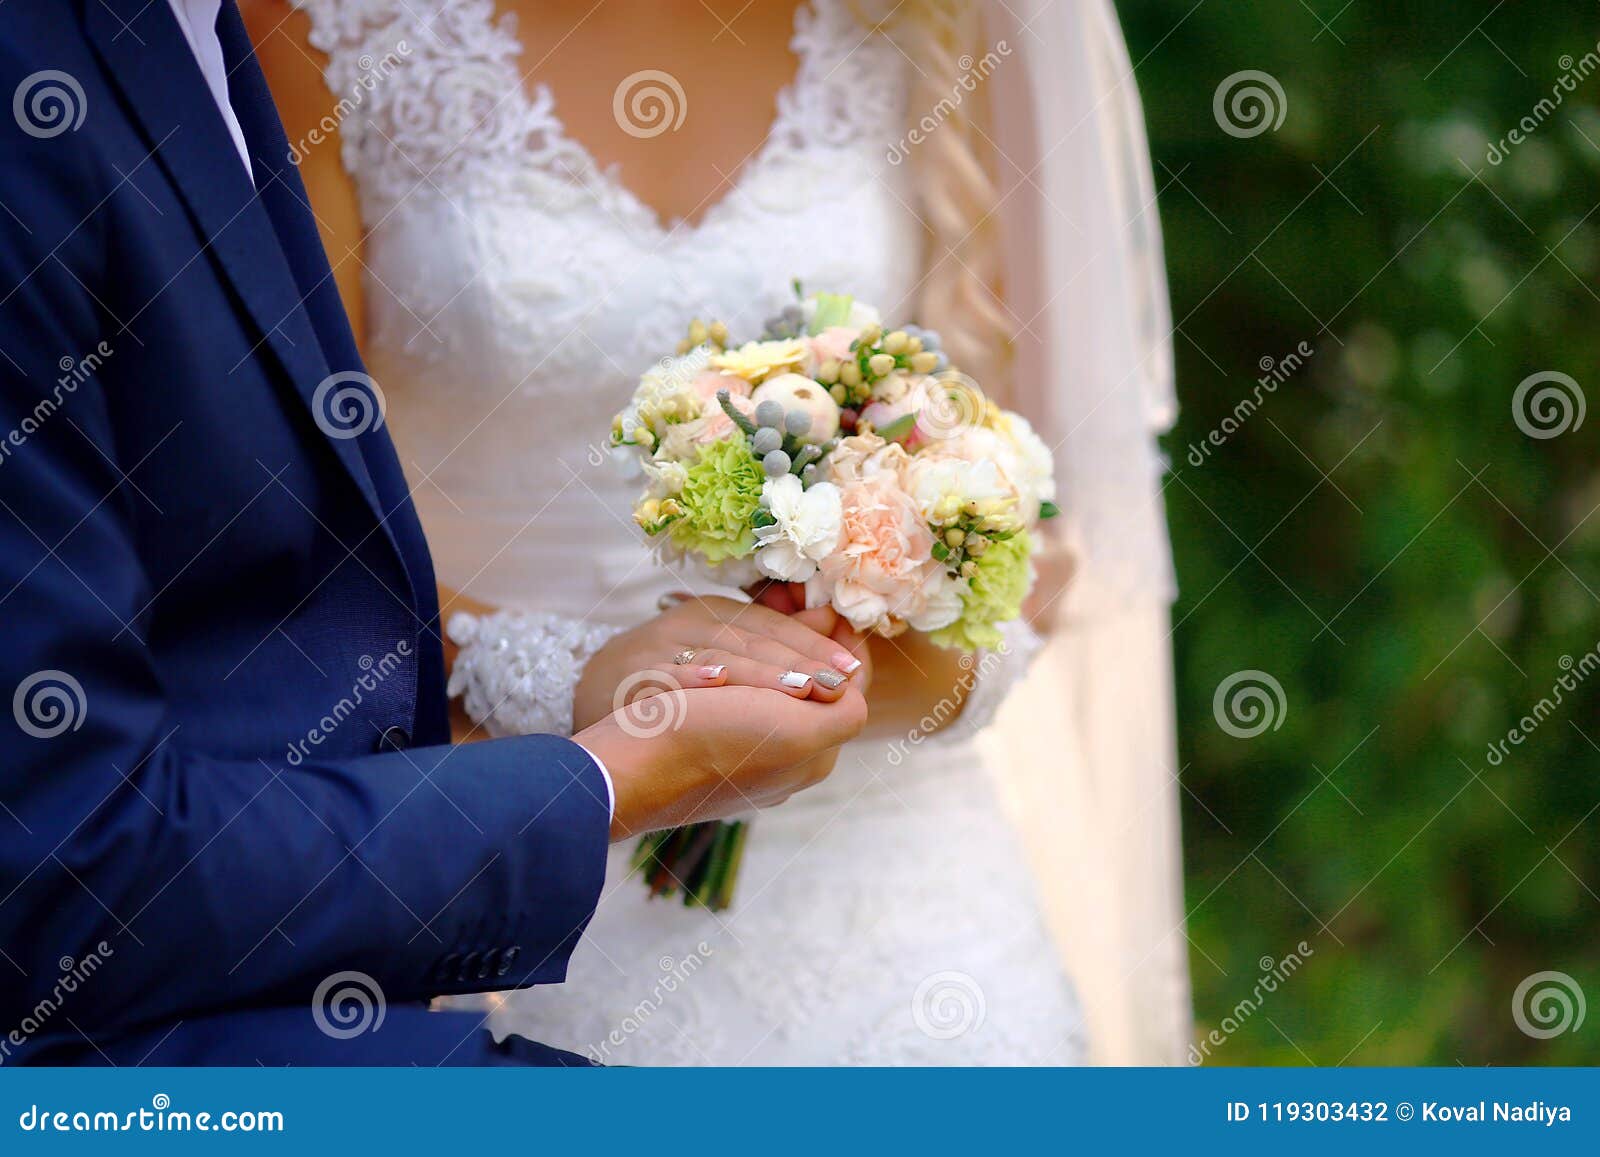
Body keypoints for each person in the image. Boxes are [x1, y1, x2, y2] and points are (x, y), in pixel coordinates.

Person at [250, 0, 1190, 1063]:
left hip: (907, 892)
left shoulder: (908, 31)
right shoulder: (325, 31)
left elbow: (1028, 531)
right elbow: (279, 523)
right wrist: (573, 679)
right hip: (520, 829)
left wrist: (854, 667)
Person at [0, 0, 865, 1067]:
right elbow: (68, 861)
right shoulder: (262, 45)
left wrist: (868, 634)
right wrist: (602, 761)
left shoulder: (195, 33)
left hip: (369, 931)